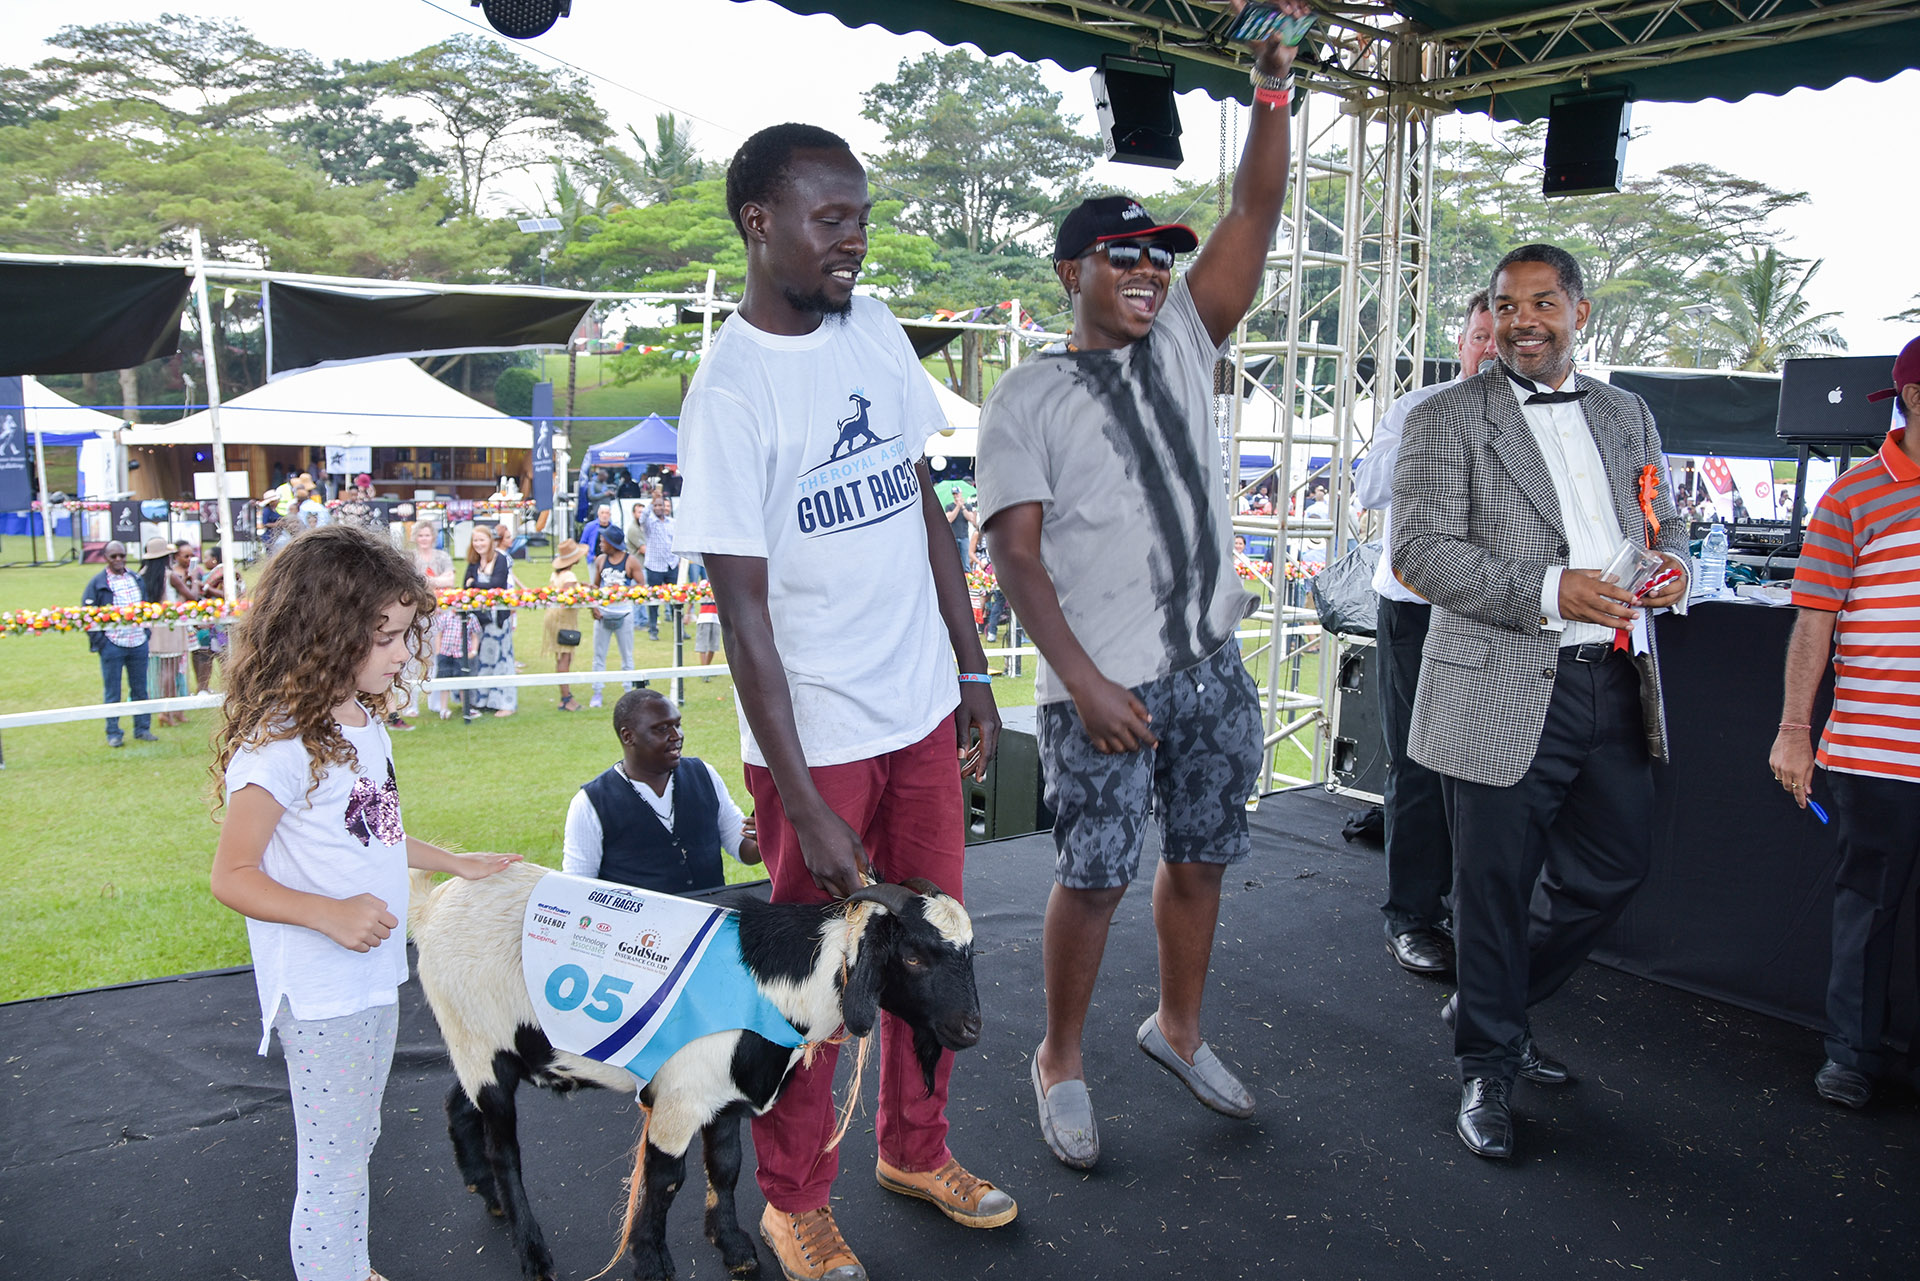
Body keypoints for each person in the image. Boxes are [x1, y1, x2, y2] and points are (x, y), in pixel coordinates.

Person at [676, 121, 1012, 1281]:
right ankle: (794, 1202)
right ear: (758, 223)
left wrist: (970, 668)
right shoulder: (727, 395)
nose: (854, 241)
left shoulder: (870, 328)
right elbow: (744, 620)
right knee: (806, 990)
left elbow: (923, 507)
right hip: (813, 748)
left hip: (918, 714)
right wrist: (807, 803)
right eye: (830, 220)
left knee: (934, 957)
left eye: (861, 218)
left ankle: (917, 1151)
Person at [976, 6, 1307, 1173]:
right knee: (1096, 875)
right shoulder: (1026, 396)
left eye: (1161, 258)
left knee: (1202, 857)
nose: (1151, 274)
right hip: (1104, 685)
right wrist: (1082, 684)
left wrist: (1272, 91)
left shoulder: (1184, 339)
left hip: (1212, 671)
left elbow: (1254, 211)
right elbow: (1016, 557)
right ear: (1072, 272)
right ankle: (1060, 1057)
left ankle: (1177, 1029)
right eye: (1126, 257)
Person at [1391, 243, 1690, 1160]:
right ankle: (1488, 1064)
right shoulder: (1445, 417)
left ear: (1579, 313)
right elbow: (1420, 551)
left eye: (1542, 303)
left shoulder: (1627, 413)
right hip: (1499, 682)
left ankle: (1494, 1003)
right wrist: (1553, 589)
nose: (1521, 320)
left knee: (1613, 868)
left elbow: (1666, 519)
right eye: (1506, 304)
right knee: (1491, 888)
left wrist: (1673, 565)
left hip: (1615, 677)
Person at [208, 523, 520, 1281]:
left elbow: (375, 830)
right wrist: (330, 912)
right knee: (335, 1162)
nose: (404, 653)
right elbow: (233, 875)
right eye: (387, 638)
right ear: (325, 632)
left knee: (356, 1141)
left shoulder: (361, 721)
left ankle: (348, 1266)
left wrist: (452, 861)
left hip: (371, 977)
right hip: (323, 994)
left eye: (407, 635)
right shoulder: (278, 744)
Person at [1769, 334, 1920, 1110]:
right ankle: (1851, 1055)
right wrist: (1796, 728)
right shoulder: (1854, 495)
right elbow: (1815, 619)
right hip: (1876, 750)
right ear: (1914, 398)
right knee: (1868, 904)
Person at [1351, 292, 1496, 979]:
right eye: (1480, 336)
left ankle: (1484, 915)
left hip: (1501, 612)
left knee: (1492, 765)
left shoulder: (1545, 420)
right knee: (1418, 762)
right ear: (1461, 343)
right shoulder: (1419, 408)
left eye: (1502, 338)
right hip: (1418, 608)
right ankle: (1411, 915)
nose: (1491, 350)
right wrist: (1440, 432)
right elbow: (1368, 487)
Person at [562, 688, 761, 892]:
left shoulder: (705, 775)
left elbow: (744, 848)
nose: (676, 736)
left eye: (677, 725)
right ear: (628, 736)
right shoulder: (591, 803)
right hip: (639, 914)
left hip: (710, 911)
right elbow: (577, 888)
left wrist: (765, 835)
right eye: (662, 729)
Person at [82, 540, 157, 747]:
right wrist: (101, 641)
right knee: (113, 691)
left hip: (138, 641)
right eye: (113, 556)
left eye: (121, 555)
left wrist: (146, 632)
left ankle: (142, 728)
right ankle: (113, 733)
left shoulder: (135, 578)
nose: (118, 560)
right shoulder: (98, 582)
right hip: (112, 644)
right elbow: (87, 615)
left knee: (140, 689)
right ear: (106, 558)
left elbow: (146, 606)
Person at [141, 535, 200, 727]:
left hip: (153, 627)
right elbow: (192, 597)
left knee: (163, 671)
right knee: (172, 671)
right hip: (171, 627)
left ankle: (171, 711)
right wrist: (195, 581)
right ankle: (168, 711)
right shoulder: (170, 576)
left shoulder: (142, 574)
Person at [462, 526, 517, 719]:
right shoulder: (473, 561)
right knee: (481, 657)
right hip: (479, 618)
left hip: (497, 618)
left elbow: (497, 585)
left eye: (482, 540)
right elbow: (464, 587)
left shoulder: (500, 559)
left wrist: (475, 585)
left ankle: (506, 703)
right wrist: (476, 587)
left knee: (501, 658)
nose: (478, 544)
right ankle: (482, 701)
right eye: (475, 540)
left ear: (490, 541)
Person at [589, 524, 638, 710]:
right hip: (603, 614)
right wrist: (594, 605)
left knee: (627, 656)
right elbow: (596, 586)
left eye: (604, 541)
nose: (601, 544)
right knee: (599, 655)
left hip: (624, 614)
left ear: (612, 543)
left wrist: (622, 590)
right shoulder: (601, 560)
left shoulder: (630, 561)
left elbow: (642, 585)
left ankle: (629, 692)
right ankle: (597, 692)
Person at [546, 538, 588, 712]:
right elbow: (568, 597)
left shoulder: (556, 574)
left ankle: (565, 696)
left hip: (554, 616)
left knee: (561, 657)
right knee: (565, 657)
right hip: (563, 619)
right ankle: (566, 698)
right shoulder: (570, 576)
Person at [638, 493, 678, 641]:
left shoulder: (672, 522)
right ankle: (653, 629)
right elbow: (642, 519)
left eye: (661, 505)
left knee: (675, 598)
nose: (659, 508)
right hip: (655, 566)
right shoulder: (650, 523)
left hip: (671, 564)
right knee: (654, 599)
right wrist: (651, 502)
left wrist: (677, 559)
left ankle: (678, 629)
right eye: (656, 505)